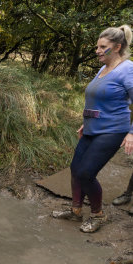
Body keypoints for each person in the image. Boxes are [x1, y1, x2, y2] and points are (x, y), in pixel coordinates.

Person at [52, 24, 133, 233]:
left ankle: (98, 215)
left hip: (113, 130)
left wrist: (131, 133)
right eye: (97, 46)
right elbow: (98, 100)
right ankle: (75, 211)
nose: (97, 50)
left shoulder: (127, 69)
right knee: (75, 169)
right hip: (92, 127)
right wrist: (86, 121)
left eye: (102, 46)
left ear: (116, 47)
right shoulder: (103, 68)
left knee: (86, 172)